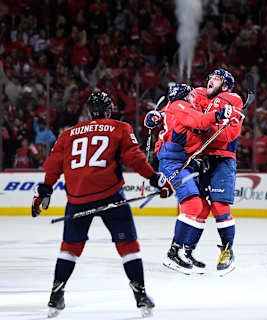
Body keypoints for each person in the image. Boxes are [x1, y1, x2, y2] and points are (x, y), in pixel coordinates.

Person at [31, 91, 174, 318]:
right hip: (110, 195)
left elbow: (53, 165)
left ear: (90, 111)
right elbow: (134, 158)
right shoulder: (120, 127)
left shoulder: (68, 134)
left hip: (77, 197)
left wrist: (44, 191)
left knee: (70, 247)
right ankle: (140, 295)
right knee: (128, 245)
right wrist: (155, 178)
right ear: (109, 111)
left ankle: (55, 295)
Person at [145, 83, 231, 275]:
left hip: (183, 161)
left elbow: (160, 115)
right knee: (193, 205)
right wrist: (219, 115)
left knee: (201, 206)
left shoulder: (174, 107)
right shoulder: (179, 106)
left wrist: (154, 116)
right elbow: (199, 122)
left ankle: (185, 251)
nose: (194, 97)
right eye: (191, 95)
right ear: (184, 96)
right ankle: (173, 252)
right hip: (173, 162)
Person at [190, 68, 244, 276]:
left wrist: (204, 126)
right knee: (200, 206)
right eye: (210, 78)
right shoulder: (201, 94)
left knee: (219, 205)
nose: (211, 80)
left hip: (223, 158)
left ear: (225, 85)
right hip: (203, 158)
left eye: (217, 79)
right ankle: (187, 250)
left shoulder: (231, 98)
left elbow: (228, 134)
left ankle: (228, 251)